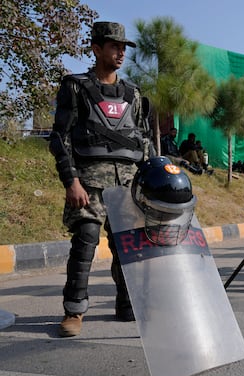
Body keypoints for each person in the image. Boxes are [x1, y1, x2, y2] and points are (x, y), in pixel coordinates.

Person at [48, 21, 154, 337]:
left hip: (127, 185)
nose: (120, 52)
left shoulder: (133, 94)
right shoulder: (76, 87)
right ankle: (74, 311)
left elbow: (143, 141)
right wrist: (71, 182)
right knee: (85, 244)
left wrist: (149, 184)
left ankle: (126, 304)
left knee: (128, 248)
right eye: (114, 46)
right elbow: (60, 138)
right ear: (97, 49)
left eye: (124, 47)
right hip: (90, 185)